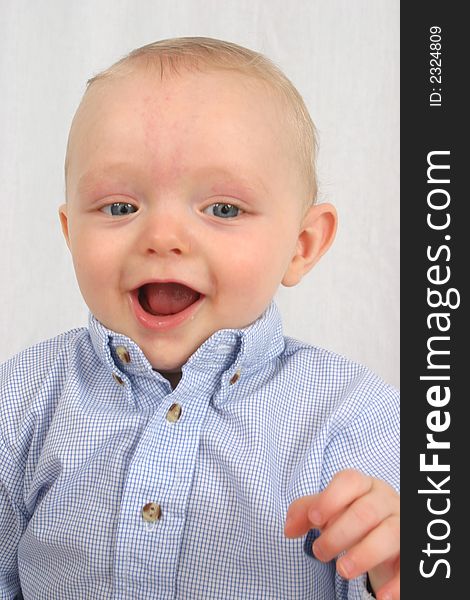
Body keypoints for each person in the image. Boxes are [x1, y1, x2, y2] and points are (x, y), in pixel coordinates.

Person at [0, 37, 399, 600]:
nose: (162, 238)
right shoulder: (22, 402)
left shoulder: (353, 418)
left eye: (223, 209)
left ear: (302, 244)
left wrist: (403, 568)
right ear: (71, 234)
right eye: (120, 207)